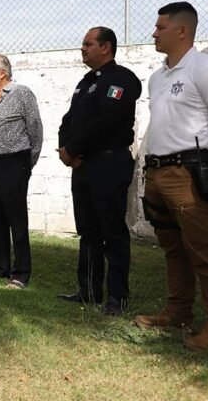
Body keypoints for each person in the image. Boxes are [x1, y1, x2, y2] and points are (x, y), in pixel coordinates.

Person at [135, 2, 208, 351]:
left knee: (204, 251)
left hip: (189, 174)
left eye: (160, 27)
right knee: (173, 248)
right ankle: (178, 312)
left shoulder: (206, 68)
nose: (154, 32)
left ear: (182, 30)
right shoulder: (157, 77)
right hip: (157, 173)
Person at [57, 27, 142, 316]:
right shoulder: (85, 82)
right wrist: (65, 150)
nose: (82, 48)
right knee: (88, 231)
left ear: (106, 47)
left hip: (109, 164)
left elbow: (107, 120)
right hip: (83, 166)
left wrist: (73, 148)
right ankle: (89, 291)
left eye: (88, 44)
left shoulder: (122, 79)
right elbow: (68, 120)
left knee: (112, 231)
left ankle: (117, 297)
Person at [0, 55, 43, 289]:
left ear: (3, 73)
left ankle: (21, 273)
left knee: (16, 219)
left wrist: (27, 164)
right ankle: (1, 269)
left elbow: (35, 130)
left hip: (14, 162)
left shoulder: (21, 93)